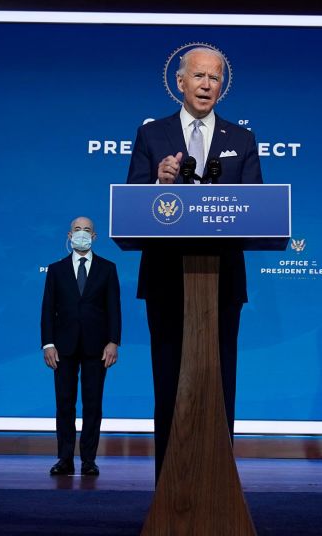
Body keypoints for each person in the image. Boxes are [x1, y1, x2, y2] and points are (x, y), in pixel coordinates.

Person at [125, 45, 263, 477]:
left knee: (220, 384)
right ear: (180, 82)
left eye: (215, 78)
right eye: (198, 76)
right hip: (166, 279)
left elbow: (257, 210)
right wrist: (156, 183)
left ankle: (217, 481)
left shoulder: (241, 140)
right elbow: (131, 204)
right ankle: (168, 483)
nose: (206, 85)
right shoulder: (152, 135)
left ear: (223, 86)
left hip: (221, 283)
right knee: (168, 384)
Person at [41, 216, 122, 477]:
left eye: (87, 230)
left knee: (92, 404)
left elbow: (114, 309)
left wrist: (113, 342)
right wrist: (48, 344)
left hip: (97, 348)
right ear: (69, 235)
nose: (82, 234)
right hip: (62, 348)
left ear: (95, 237)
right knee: (64, 404)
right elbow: (47, 310)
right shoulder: (56, 269)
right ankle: (64, 459)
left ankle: (89, 460)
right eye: (77, 230)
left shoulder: (108, 269)